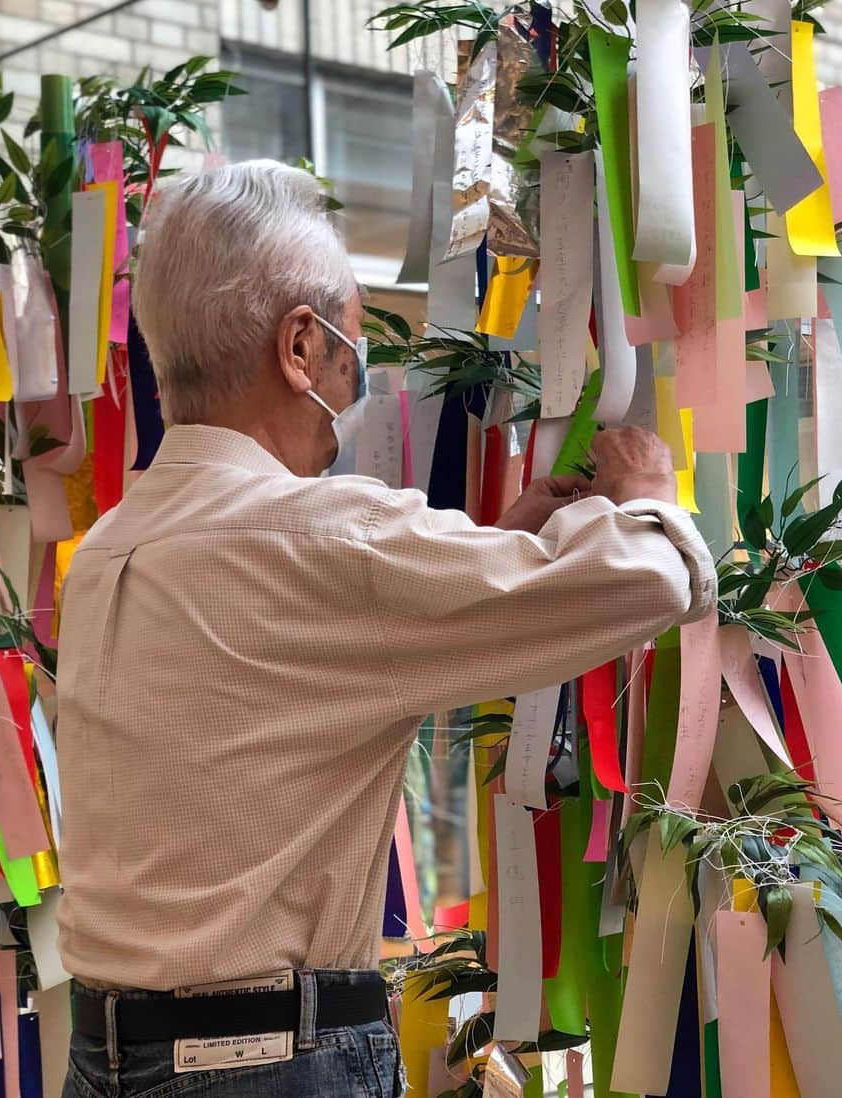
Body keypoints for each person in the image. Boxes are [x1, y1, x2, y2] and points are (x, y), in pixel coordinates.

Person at [56, 159, 716, 1098]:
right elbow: (650, 580)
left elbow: (285, 681)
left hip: (106, 1059)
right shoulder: (321, 537)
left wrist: (492, 548)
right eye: (351, 353)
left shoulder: (110, 551)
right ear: (297, 347)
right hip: (273, 1065)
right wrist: (647, 493)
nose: (354, 382)